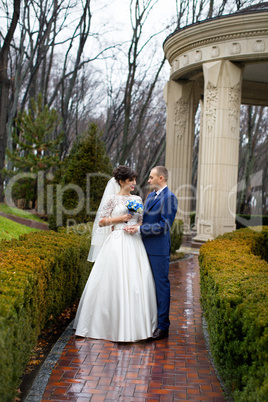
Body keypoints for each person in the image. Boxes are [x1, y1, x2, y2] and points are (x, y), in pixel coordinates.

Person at [73, 165, 157, 342]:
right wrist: (120, 219)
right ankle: (107, 325)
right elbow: (102, 222)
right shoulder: (111, 199)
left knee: (135, 282)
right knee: (114, 280)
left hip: (134, 243)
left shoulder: (137, 199)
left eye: (135, 180)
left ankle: (136, 327)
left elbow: (141, 222)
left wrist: (135, 227)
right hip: (116, 242)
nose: (134, 183)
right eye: (130, 180)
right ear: (121, 181)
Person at [125, 166, 178, 340]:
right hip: (142, 247)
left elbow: (164, 226)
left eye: (151, 177)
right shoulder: (149, 197)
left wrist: (140, 230)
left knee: (161, 286)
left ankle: (163, 326)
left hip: (158, 250)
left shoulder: (170, 198)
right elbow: (145, 220)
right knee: (146, 286)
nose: (148, 180)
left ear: (161, 178)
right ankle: (149, 321)